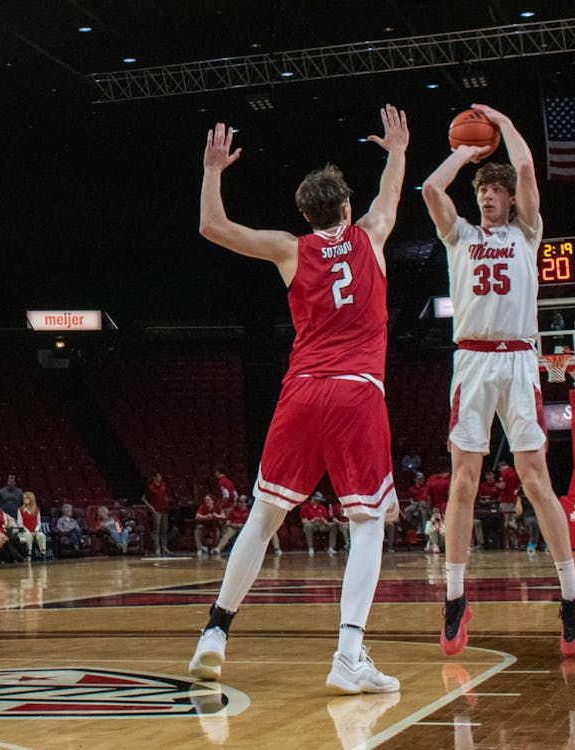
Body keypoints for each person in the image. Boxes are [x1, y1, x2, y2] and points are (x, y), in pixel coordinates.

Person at [188, 103, 408, 694]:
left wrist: (213, 170)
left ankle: (214, 632)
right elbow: (389, 194)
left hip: (301, 391)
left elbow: (214, 227)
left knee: (263, 518)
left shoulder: (291, 249)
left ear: (306, 215)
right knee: (367, 524)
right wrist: (398, 151)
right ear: (345, 208)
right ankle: (349, 656)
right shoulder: (371, 233)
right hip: (356, 392)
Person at [421, 102, 575, 657]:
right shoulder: (461, 235)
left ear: (510, 198)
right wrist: (463, 153)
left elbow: (526, 172)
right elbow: (429, 189)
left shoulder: (527, 232)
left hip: (518, 361)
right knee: (464, 483)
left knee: (537, 481)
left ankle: (571, 595)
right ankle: (454, 597)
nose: (488, 197)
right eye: (482, 193)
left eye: (495, 191)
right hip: (471, 362)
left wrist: (508, 126)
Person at [142, 471, 172, 555]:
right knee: (156, 530)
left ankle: (164, 547)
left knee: (164, 530)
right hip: (156, 511)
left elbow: (165, 496)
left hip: (164, 510)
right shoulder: (150, 488)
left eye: (160, 476)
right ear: (154, 478)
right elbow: (143, 498)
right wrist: (151, 508)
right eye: (158, 476)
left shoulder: (163, 486)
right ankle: (157, 548)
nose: (160, 477)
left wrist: (166, 503)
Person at [300, 491, 335, 556]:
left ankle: (331, 547)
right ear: (312, 498)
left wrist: (324, 520)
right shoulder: (305, 508)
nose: (318, 501)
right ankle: (310, 548)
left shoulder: (322, 507)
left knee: (333, 526)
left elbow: (326, 520)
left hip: (321, 525)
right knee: (308, 526)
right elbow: (304, 521)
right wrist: (313, 520)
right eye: (316, 500)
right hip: (312, 526)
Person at [17, 491, 49, 560]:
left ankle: (43, 553)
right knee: (28, 535)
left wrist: (36, 531)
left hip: (35, 531)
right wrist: (28, 531)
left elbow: (39, 522)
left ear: (31, 499)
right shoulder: (20, 510)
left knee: (42, 535)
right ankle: (29, 553)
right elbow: (20, 524)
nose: (25, 499)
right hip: (24, 531)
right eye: (24, 498)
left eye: (27, 498)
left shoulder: (37, 510)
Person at [514, 488, 541, 554]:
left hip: (538, 515)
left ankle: (542, 544)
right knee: (534, 522)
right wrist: (519, 497)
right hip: (527, 517)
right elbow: (518, 512)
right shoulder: (521, 497)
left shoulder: (537, 494)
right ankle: (532, 544)